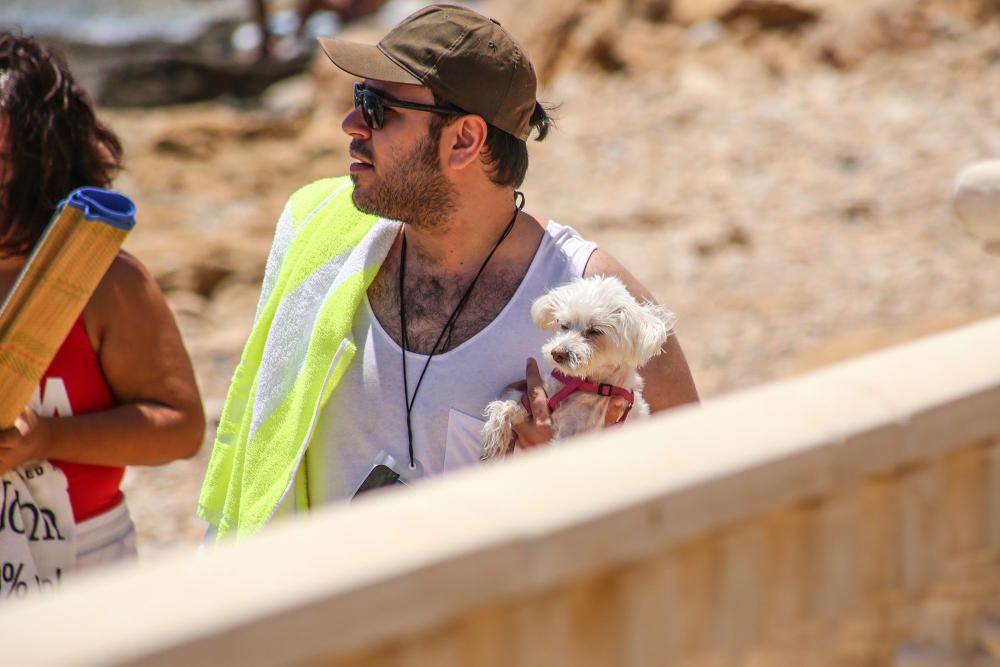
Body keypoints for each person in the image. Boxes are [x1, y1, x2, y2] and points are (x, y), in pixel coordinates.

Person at [198, 4, 699, 541]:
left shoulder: (594, 299)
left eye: (377, 106)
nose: (351, 124)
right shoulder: (324, 243)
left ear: (464, 140)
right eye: (356, 99)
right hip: (325, 615)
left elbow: (695, 497)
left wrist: (554, 480)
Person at [0, 34, 206, 568]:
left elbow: (180, 427)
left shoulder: (100, 281)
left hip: (84, 555)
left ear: (44, 158)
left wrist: (46, 438)